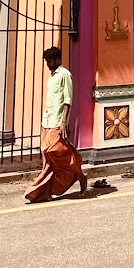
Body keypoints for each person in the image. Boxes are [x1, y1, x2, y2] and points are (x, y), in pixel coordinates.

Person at [24, 46, 88, 203]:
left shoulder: (65, 75)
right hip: (47, 120)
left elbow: (67, 100)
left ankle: (77, 170)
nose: (48, 64)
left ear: (58, 60)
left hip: (57, 121)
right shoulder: (52, 77)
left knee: (55, 150)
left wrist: (64, 121)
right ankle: (45, 192)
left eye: (50, 61)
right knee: (48, 158)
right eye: (47, 61)